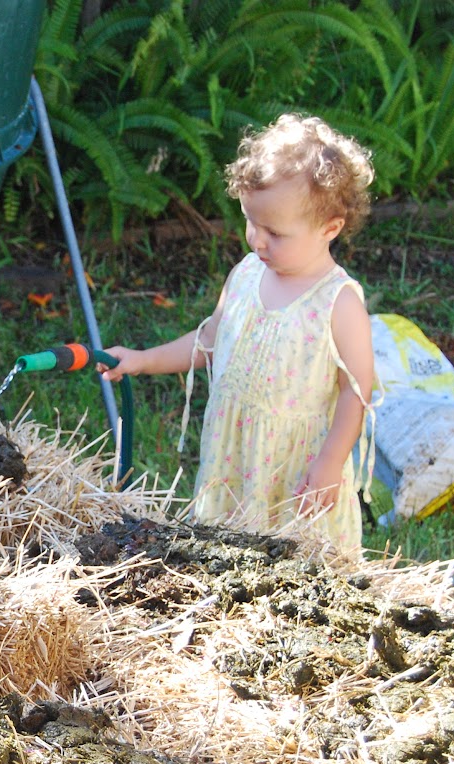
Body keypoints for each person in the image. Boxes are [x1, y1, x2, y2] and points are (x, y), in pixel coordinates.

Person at [101, 114, 376, 559]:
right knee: (230, 560)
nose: (257, 241)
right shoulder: (247, 274)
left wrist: (329, 462)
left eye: (275, 233)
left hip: (295, 472)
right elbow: (212, 339)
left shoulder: (338, 303)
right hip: (236, 458)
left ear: (331, 228)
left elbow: (356, 391)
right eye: (252, 222)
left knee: (298, 571)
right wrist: (142, 359)